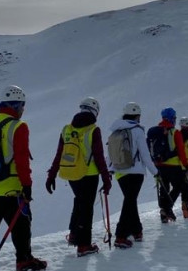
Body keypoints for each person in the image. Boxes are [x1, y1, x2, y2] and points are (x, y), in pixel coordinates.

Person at [0, 85, 47, 271]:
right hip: (11, 188)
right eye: (22, 106)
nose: (23, 110)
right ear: (16, 105)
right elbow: (22, 159)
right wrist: (27, 185)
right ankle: (24, 260)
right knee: (22, 225)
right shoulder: (18, 126)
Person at [45, 97, 112, 257]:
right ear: (95, 112)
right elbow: (99, 156)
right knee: (87, 207)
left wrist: (52, 175)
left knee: (79, 201)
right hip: (89, 175)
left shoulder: (67, 129)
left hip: (70, 174)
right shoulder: (93, 130)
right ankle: (84, 245)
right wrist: (106, 178)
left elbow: (59, 154)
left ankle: (75, 235)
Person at [108, 102, 159, 249]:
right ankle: (121, 236)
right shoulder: (137, 131)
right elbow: (145, 155)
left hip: (119, 172)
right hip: (135, 172)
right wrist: (155, 172)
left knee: (130, 200)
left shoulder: (115, 130)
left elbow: (110, 154)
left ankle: (136, 231)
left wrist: (108, 169)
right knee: (129, 202)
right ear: (137, 116)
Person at [147, 107, 188, 223]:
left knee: (164, 187)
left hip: (159, 165)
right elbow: (181, 150)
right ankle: (167, 208)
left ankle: (163, 214)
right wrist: (186, 165)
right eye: (174, 118)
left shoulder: (155, 131)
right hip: (173, 165)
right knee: (178, 186)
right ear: (171, 118)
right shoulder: (174, 132)